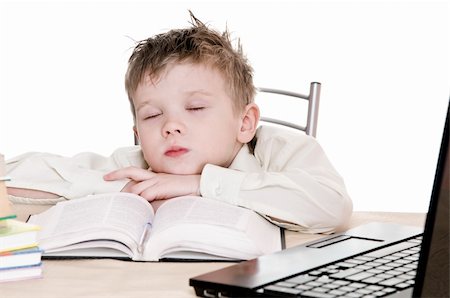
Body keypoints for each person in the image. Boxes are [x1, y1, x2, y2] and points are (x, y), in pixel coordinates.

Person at [6, 12, 352, 233]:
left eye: (196, 108)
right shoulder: (138, 164)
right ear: (138, 134)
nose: (170, 126)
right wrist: (123, 189)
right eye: (153, 115)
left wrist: (200, 184)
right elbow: (12, 175)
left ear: (245, 123)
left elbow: (333, 206)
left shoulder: (280, 149)